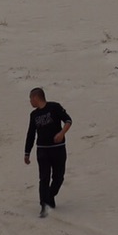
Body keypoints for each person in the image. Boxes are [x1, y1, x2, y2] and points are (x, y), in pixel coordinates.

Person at [23, 87, 72, 218]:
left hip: (58, 149)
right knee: (44, 177)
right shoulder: (33, 115)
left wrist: (62, 133)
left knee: (59, 177)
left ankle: (50, 196)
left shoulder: (54, 107)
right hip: (43, 150)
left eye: (30, 99)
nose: (30, 102)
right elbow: (31, 134)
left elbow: (68, 120)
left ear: (35, 98)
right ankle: (44, 205)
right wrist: (27, 152)